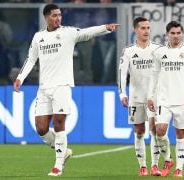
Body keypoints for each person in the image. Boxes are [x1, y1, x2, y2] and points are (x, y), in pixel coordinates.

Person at [13, 4, 119, 176]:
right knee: (41, 128)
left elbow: (86, 33)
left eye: (60, 15)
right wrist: (20, 78)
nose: (58, 18)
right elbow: (31, 59)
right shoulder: (38, 37)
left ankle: (58, 165)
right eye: (54, 15)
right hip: (44, 88)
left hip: (62, 85)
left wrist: (105, 28)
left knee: (59, 122)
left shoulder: (68, 33)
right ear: (46, 17)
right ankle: (64, 151)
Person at [147, 21, 184, 177]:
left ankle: (179, 168)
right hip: (163, 100)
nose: (176, 36)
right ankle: (168, 159)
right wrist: (151, 96)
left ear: (182, 34)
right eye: (173, 33)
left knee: (180, 134)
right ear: (167, 34)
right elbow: (154, 75)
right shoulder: (159, 53)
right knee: (160, 131)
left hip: (183, 101)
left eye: (179, 33)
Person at [118, 17, 170, 177]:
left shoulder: (158, 50)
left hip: (154, 98)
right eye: (143, 28)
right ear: (136, 30)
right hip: (135, 97)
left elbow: (167, 72)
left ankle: (155, 166)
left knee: (154, 130)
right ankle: (142, 166)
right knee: (139, 130)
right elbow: (121, 74)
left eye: (148, 28)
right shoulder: (128, 51)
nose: (146, 31)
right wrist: (122, 93)